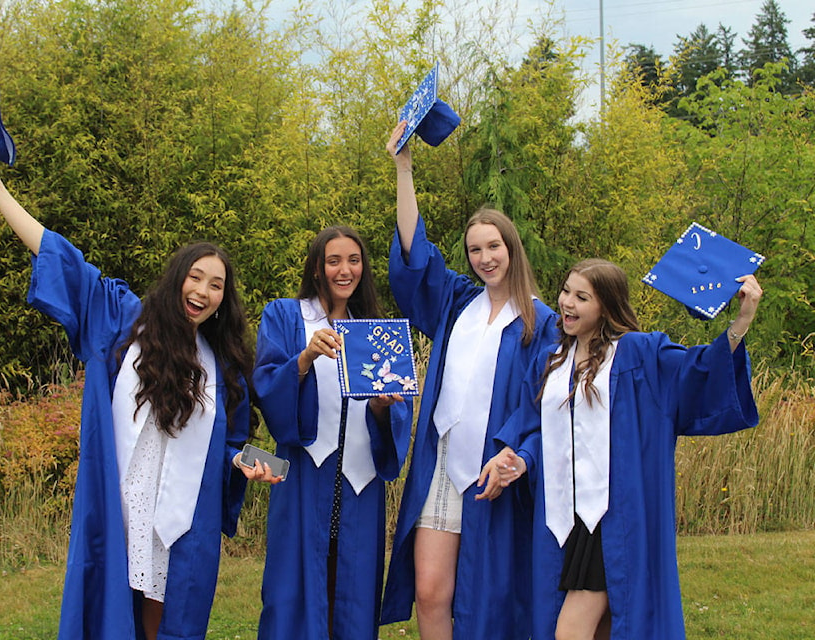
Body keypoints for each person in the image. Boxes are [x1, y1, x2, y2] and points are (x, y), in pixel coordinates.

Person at [0, 160, 281, 640]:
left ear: (224, 299)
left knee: (164, 616)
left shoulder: (225, 363)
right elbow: (64, 261)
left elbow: (227, 443)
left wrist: (244, 461)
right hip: (124, 498)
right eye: (196, 277)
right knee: (114, 606)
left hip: (178, 515)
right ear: (178, 276)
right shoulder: (124, 320)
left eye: (216, 285)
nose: (203, 291)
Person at [492, 259, 763, 640]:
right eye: (566, 291)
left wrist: (741, 321)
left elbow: (697, 373)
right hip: (561, 518)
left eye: (582, 297)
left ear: (606, 305)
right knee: (602, 630)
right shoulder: (550, 362)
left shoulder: (638, 354)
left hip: (613, 518)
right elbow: (536, 429)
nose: (567, 302)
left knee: (569, 632)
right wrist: (520, 458)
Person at [379, 121, 559, 640]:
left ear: (512, 248)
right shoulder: (458, 302)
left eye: (493, 246)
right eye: (475, 249)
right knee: (431, 592)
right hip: (443, 461)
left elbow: (543, 405)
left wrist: (518, 454)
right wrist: (404, 167)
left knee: (489, 597)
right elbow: (416, 256)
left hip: (495, 471)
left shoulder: (540, 322)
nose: (484, 258)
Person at [253, 225, 413, 639]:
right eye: (334, 260)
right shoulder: (286, 316)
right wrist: (304, 357)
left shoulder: (377, 331)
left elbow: (396, 411)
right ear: (318, 268)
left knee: (351, 594)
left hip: (358, 483)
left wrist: (381, 407)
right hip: (307, 477)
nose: (345, 270)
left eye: (354, 260)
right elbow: (268, 386)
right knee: (294, 590)